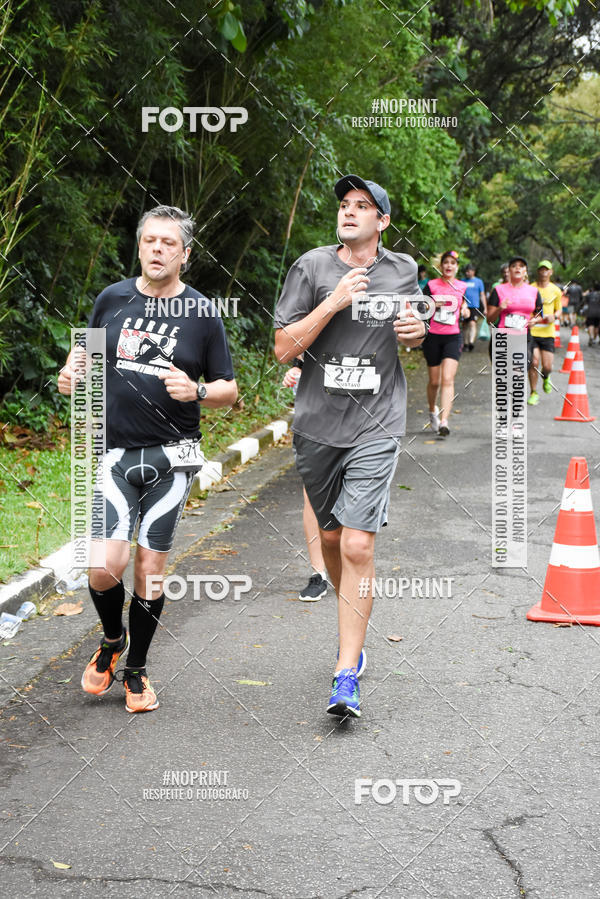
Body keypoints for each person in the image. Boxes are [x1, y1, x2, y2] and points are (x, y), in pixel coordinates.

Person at [58, 205, 237, 713]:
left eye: (168, 243)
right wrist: (69, 379)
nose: (157, 249)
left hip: (171, 458)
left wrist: (197, 389)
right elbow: (83, 366)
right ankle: (113, 640)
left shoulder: (202, 313)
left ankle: (136, 670)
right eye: (150, 241)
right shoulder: (110, 299)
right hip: (115, 453)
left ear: (185, 253)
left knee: (150, 569)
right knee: (103, 567)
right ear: (139, 246)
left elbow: (230, 390)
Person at [273, 174, 427, 718]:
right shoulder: (311, 268)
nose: (350, 212)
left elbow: (414, 327)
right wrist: (332, 303)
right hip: (318, 424)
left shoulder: (403, 269)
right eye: (345, 204)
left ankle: (345, 673)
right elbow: (281, 347)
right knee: (334, 541)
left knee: (358, 545)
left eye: (363, 206)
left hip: (376, 422)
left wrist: (415, 333)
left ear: (382, 221)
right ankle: (350, 621)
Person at [282, 360, 328, 602]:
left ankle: (350, 560)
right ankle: (318, 573)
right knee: (311, 497)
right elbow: (295, 349)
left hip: (356, 422)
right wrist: (296, 371)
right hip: (313, 426)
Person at [421, 251, 469, 437]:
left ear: (457, 267)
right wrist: (433, 303)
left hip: (453, 336)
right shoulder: (431, 285)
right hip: (432, 336)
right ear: (440, 266)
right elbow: (420, 306)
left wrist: (465, 310)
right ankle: (433, 410)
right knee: (434, 381)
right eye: (446, 263)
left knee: (448, 379)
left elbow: (467, 307)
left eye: (453, 263)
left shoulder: (462, 287)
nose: (449, 266)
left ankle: (444, 421)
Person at [486, 256, 543, 369]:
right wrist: (499, 309)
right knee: (503, 382)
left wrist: (535, 321)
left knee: (518, 376)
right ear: (509, 270)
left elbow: (539, 315)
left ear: (525, 271)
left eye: (521, 266)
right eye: (514, 266)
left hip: (523, 337)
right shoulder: (498, 290)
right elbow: (489, 320)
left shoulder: (534, 291)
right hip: (502, 337)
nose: (517, 268)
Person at [528, 260, 563, 405]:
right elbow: (525, 308)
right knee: (534, 362)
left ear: (551, 272)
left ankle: (546, 377)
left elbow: (559, 309)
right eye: (541, 269)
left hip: (548, 333)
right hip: (533, 332)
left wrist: (554, 316)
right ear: (538, 272)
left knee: (547, 367)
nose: (544, 272)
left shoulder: (555, 290)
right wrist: (531, 320)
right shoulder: (530, 288)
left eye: (546, 270)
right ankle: (533, 392)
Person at [462, 262, 487, 351]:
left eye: (469, 271)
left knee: (472, 323)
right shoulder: (462, 281)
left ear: (473, 271)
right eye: (466, 271)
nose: (467, 273)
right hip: (464, 306)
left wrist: (485, 308)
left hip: (474, 306)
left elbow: (482, 295)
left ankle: (471, 342)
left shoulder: (479, 281)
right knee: (464, 325)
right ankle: (465, 343)